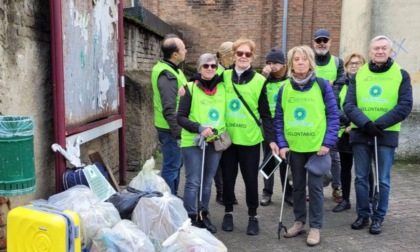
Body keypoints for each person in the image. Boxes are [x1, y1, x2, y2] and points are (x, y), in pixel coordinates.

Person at [344, 35, 413, 235]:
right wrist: (365, 123)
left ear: (390, 51)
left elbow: (405, 105)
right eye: (376, 48)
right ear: (370, 51)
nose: (380, 51)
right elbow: (348, 104)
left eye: (384, 48)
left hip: (386, 134)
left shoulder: (401, 74)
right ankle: (363, 214)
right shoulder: (359, 74)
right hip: (360, 132)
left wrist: (380, 124)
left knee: (382, 179)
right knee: (360, 178)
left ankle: (378, 216)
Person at [274, 45, 339, 246]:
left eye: (304, 59)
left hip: (316, 148)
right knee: (298, 187)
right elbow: (279, 118)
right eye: (296, 59)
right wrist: (283, 144)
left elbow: (333, 115)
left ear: (310, 62)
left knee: (316, 189)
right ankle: (300, 222)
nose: (300, 63)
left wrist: (328, 142)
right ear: (291, 64)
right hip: (295, 148)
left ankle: (316, 227)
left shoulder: (322, 85)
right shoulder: (284, 88)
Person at [220, 38, 279, 236]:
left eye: (247, 54)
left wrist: (271, 140)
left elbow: (265, 114)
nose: (243, 57)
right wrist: (188, 86)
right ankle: (228, 212)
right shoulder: (224, 76)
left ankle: (253, 216)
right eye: (240, 53)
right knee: (228, 179)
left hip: (251, 140)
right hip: (228, 140)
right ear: (233, 55)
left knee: (250, 181)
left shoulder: (260, 81)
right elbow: (203, 80)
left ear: (252, 57)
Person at [177, 53, 226, 234]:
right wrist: (199, 128)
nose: (210, 69)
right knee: (193, 182)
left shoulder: (223, 87)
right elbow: (180, 117)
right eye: (206, 66)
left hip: (215, 142)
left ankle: (203, 215)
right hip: (193, 142)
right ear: (199, 68)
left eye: (213, 66)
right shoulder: (189, 88)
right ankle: (190, 218)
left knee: (207, 183)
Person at [332, 53, 374, 213]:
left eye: (358, 63)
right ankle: (345, 200)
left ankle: (369, 199)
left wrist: (357, 124)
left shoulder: (368, 83)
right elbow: (334, 107)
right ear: (346, 66)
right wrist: (349, 122)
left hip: (363, 132)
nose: (354, 66)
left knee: (366, 168)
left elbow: (369, 107)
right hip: (345, 133)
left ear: (364, 65)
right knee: (345, 168)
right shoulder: (340, 84)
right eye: (351, 63)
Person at [312, 28, 346, 202]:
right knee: (310, 151)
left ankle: (337, 187)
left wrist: (328, 86)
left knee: (333, 154)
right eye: (319, 40)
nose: (322, 43)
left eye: (325, 40)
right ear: (314, 43)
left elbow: (343, 80)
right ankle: (311, 189)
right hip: (313, 113)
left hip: (331, 113)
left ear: (330, 42)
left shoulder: (337, 62)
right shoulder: (310, 60)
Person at [151, 34, 187, 195]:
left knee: (175, 165)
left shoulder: (171, 69)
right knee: (171, 167)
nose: (185, 51)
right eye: (183, 49)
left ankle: (173, 196)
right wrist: (178, 133)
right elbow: (169, 108)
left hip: (171, 127)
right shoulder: (167, 75)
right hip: (171, 129)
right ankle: (168, 201)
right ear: (175, 54)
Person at [259, 48, 293, 207]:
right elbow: (254, 92)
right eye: (269, 63)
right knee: (269, 158)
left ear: (284, 64)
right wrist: (263, 76)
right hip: (268, 123)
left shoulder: (290, 81)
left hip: (286, 124)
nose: (272, 66)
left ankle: (289, 192)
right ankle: (267, 192)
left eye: (275, 63)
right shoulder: (264, 80)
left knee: (285, 159)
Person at [213, 41, 237, 205]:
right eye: (232, 57)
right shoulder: (216, 73)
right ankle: (221, 192)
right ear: (224, 57)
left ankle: (227, 192)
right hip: (217, 121)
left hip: (229, 121)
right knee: (219, 160)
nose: (235, 60)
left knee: (226, 161)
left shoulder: (230, 71)